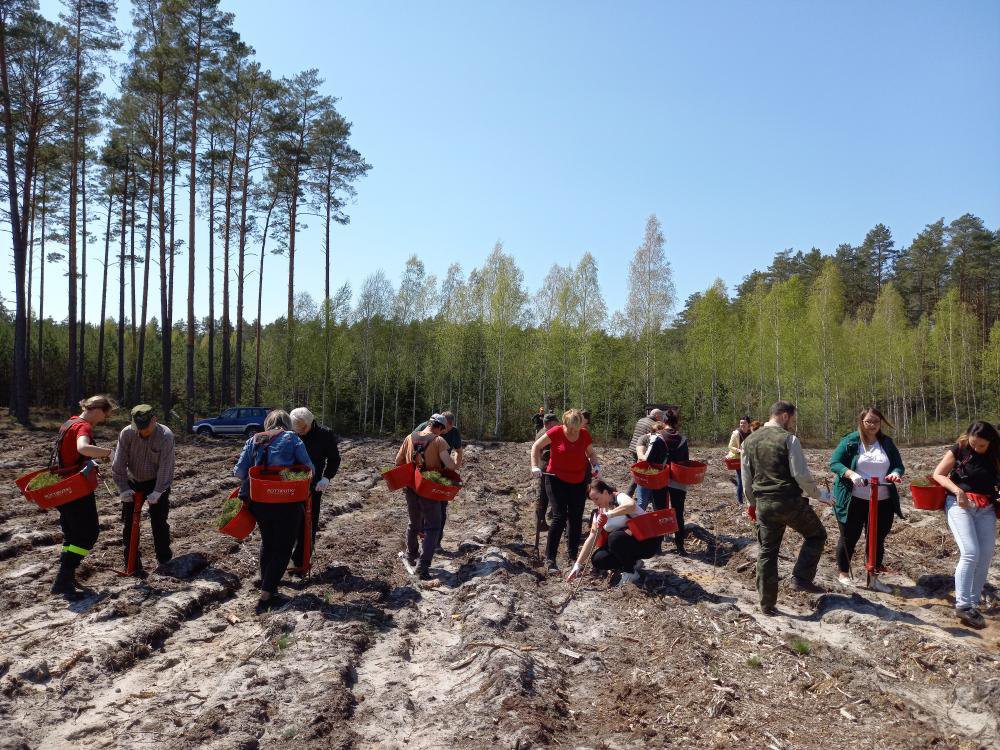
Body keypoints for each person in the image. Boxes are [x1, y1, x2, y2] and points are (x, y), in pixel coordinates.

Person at [741, 401, 831, 615]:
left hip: (764, 504)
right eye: (793, 418)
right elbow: (800, 475)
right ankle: (800, 578)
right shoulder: (789, 439)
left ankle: (767, 604)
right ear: (784, 416)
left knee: (767, 552)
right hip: (788, 501)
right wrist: (819, 495)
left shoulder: (749, 440)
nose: (793, 423)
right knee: (816, 535)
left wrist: (752, 503)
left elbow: (746, 479)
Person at [233, 410, 314, 613]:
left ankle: (267, 584)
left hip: (259, 501)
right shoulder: (292, 438)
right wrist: (286, 477)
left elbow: (240, 472)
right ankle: (267, 593)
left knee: (268, 543)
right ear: (287, 423)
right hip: (286, 500)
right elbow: (308, 469)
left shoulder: (255, 439)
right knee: (284, 547)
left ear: (268, 423)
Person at [931, 421, 1000, 629]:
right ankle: (963, 605)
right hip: (959, 504)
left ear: (991, 442)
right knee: (970, 552)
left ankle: (973, 600)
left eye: (981, 446)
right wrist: (958, 491)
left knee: (986, 553)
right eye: (974, 443)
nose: (976, 448)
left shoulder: (996, 454)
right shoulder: (960, 449)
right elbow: (938, 474)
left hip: (985, 507)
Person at [829, 407, 905, 592]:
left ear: (881, 423)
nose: (872, 425)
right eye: (868, 422)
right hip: (854, 498)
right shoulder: (850, 441)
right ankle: (844, 574)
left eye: (876, 422)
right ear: (861, 422)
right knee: (849, 536)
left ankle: (873, 577)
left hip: (882, 499)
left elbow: (898, 465)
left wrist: (895, 473)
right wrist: (850, 474)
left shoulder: (886, 443)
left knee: (877, 538)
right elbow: (835, 463)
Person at [50, 395, 116, 596]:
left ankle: (66, 578)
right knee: (88, 535)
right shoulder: (83, 427)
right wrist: (108, 453)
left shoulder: (69, 423)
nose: (103, 420)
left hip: (63, 489)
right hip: (77, 490)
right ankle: (63, 578)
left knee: (71, 535)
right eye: (105, 414)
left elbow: (73, 454)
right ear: (97, 410)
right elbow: (83, 447)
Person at [530, 408, 601, 575]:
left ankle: (573, 556)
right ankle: (551, 559)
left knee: (576, 517)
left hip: (578, 481)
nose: (574, 431)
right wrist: (534, 465)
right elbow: (536, 446)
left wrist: (595, 465)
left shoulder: (583, 434)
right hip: (555, 479)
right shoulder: (556, 432)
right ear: (565, 423)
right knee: (559, 516)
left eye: (577, 428)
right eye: (571, 428)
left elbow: (591, 453)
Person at [112, 404, 176, 572]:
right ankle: (132, 564)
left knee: (159, 521)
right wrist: (123, 488)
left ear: (154, 420)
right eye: (138, 428)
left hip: (156, 482)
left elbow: (166, 467)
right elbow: (118, 464)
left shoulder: (165, 436)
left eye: (145, 428)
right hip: (133, 481)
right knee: (129, 524)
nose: (142, 432)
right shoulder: (127, 434)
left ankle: (164, 559)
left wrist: (158, 491)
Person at [395, 413, 459, 580]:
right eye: (442, 430)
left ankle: (411, 555)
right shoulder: (439, 441)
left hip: (411, 486)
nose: (442, 433)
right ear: (438, 427)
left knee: (414, 523)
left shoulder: (409, 437)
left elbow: (398, 461)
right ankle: (423, 566)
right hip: (429, 489)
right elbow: (450, 465)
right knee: (432, 527)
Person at [567, 479, 658, 586]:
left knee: (615, 537)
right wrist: (578, 565)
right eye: (593, 500)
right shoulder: (599, 512)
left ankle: (630, 572)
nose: (596, 503)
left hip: (647, 541)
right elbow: (591, 538)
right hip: (625, 543)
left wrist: (610, 514)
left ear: (605, 492)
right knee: (598, 559)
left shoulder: (619, 497)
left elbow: (631, 505)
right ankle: (632, 563)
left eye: (597, 499)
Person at [289, 407, 341, 571]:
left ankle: (300, 562)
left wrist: (326, 478)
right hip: (290, 483)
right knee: (290, 523)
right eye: (297, 429)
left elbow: (334, 459)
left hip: (313, 486)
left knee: (308, 524)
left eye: (303, 429)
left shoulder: (325, 435)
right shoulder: (291, 434)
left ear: (311, 422)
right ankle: (286, 559)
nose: (300, 433)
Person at [626, 407, 663, 496]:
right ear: (656, 415)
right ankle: (630, 494)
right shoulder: (653, 424)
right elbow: (651, 440)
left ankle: (633, 494)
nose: (661, 418)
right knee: (640, 473)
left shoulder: (641, 420)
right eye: (661, 416)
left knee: (637, 472)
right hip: (642, 452)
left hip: (634, 448)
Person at [534, 413, 559, 532]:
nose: (557, 424)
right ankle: (544, 520)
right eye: (555, 422)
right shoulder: (547, 434)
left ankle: (540, 521)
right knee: (548, 494)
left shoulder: (540, 432)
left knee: (543, 494)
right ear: (548, 423)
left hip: (542, 465)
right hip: (548, 467)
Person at [727, 416, 752, 505]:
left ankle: (750, 499)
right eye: (741, 423)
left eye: (744, 423)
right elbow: (730, 446)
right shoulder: (736, 433)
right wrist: (739, 450)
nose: (742, 425)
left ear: (748, 424)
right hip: (738, 459)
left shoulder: (751, 433)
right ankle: (740, 501)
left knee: (750, 479)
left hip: (749, 459)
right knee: (741, 480)